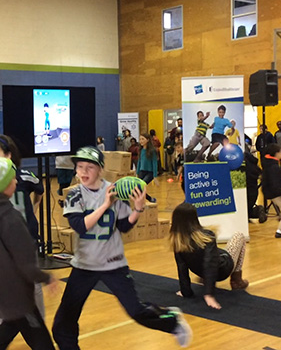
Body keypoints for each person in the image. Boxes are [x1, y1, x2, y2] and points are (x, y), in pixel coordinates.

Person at [52, 146, 192, 349]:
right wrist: (105, 204)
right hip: (84, 266)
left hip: (113, 264)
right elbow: (80, 226)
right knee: (62, 324)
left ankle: (172, 321)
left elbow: (124, 226)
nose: (83, 172)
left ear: (100, 169)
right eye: (80, 167)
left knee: (136, 311)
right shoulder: (75, 195)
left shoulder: (116, 189)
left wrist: (138, 208)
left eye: (89, 167)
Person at [0, 157, 57, 350]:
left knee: (9, 327)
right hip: (13, 292)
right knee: (41, 340)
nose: (16, 182)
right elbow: (26, 263)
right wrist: (46, 277)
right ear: (2, 185)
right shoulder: (11, 218)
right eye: (12, 179)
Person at [0, 135, 46, 346]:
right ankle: (4, 328)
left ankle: (39, 328)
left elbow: (40, 191)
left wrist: (33, 211)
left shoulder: (25, 177)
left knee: (33, 286)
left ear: (8, 156)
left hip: (26, 242)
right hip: (3, 248)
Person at [169, 202, 249, 310]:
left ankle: (212, 279)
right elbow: (210, 263)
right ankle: (237, 280)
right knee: (239, 236)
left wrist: (186, 292)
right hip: (223, 269)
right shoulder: (207, 235)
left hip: (202, 272)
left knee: (212, 254)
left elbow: (182, 269)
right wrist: (208, 294)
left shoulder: (178, 242)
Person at [137, 133, 159, 203]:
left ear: (148, 140)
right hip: (141, 171)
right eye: (140, 139)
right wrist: (137, 173)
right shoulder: (140, 150)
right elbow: (139, 162)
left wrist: (155, 176)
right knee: (136, 188)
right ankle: (146, 200)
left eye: (143, 139)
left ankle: (149, 199)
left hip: (150, 173)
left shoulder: (152, 151)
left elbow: (154, 163)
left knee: (140, 187)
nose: (141, 141)